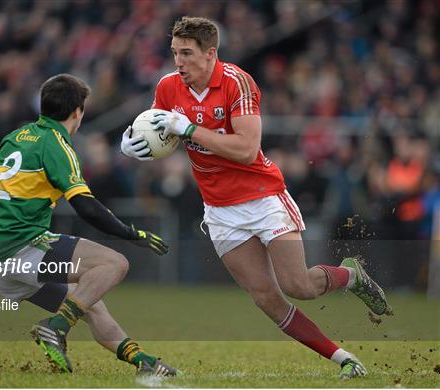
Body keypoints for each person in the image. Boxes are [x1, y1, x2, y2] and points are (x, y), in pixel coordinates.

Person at [121, 16, 391, 379]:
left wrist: (188, 128)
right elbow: (161, 134)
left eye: (186, 53)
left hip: (262, 197)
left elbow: (247, 150)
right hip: (219, 209)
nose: (178, 62)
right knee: (267, 299)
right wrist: (135, 145)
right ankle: (343, 358)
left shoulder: (238, 82)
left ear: (210, 53)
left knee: (300, 286)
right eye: (174, 53)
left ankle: (351, 275)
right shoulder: (169, 87)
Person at [0, 74, 176, 376]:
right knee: (114, 264)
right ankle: (55, 327)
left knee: (90, 302)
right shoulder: (56, 145)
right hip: (23, 248)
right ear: (77, 112)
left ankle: (142, 361)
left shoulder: (16, 137)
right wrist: (132, 234)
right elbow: (87, 208)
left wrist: (13, 206)